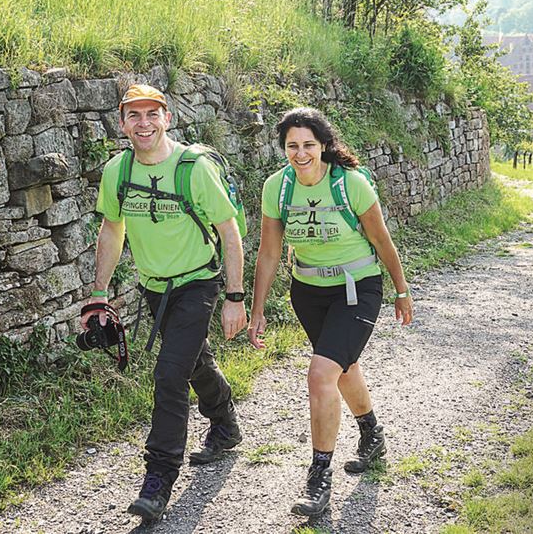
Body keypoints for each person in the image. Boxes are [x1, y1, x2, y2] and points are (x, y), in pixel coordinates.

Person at [81, 84, 248, 521]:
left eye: (152, 114)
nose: (144, 123)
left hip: (198, 283)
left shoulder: (193, 169)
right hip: (154, 287)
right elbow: (112, 229)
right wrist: (98, 294)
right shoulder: (118, 171)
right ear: (122, 124)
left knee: (169, 375)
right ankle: (225, 424)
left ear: (167, 118)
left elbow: (229, 232)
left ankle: (158, 479)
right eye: (134, 116)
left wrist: (235, 296)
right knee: (193, 361)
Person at [247, 107, 414, 517]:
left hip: (357, 289)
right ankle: (372, 434)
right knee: (342, 366)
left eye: (308, 144)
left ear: (323, 145)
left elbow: (382, 240)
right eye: (292, 146)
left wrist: (401, 290)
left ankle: (319, 477)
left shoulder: (350, 184)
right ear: (283, 148)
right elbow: (268, 252)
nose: (300, 153)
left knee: (321, 373)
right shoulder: (277, 188)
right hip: (307, 292)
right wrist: (257, 309)